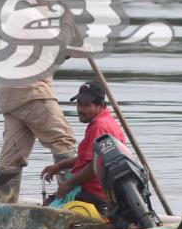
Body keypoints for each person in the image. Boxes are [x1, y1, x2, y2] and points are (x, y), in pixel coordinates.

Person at [40, 80, 122, 213]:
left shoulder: (99, 127)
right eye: (79, 104)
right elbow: (88, 158)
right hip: (99, 191)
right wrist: (60, 165)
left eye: (86, 105)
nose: (80, 109)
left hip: (95, 194)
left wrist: (68, 184)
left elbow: (94, 167)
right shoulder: (106, 121)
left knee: (47, 210)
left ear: (101, 105)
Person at [0, 75, 78, 203]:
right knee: (62, 141)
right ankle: (72, 202)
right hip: (31, 89)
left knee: (13, 156)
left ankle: (5, 205)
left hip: (8, 92)